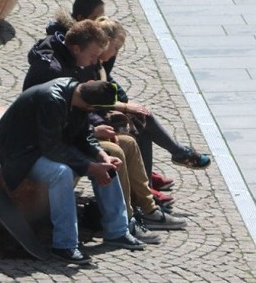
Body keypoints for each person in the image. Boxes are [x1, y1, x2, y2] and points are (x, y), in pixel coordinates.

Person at [23, 20, 185, 235]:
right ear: (76, 48)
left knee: (128, 143)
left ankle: (148, 209)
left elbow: (81, 107)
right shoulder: (54, 72)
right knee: (114, 151)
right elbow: (55, 127)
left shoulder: (74, 62)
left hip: (71, 132)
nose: (94, 62)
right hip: (46, 142)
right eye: (93, 56)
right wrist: (95, 133)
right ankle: (123, 222)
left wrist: (98, 125)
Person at [47, 0, 212, 179]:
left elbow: (110, 87)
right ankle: (174, 156)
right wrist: (124, 107)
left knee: (141, 121)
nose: (115, 53)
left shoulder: (97, 61)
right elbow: (90, 100)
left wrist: (124, 103)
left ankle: (149, 180)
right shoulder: (88, 62)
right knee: (140, 123)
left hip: (93, 117)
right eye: (115, 48)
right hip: (89, 121)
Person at [0, 78, 145, 264]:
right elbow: (52, 148)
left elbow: (85, 134)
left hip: (44, 147)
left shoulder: (77, 95)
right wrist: (91, 167)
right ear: (90, 106)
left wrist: (103, 156)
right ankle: (64, 245)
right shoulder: (53, 100)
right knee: (61, 173)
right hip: (20, 153)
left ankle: (117, 231)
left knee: (107, 167)